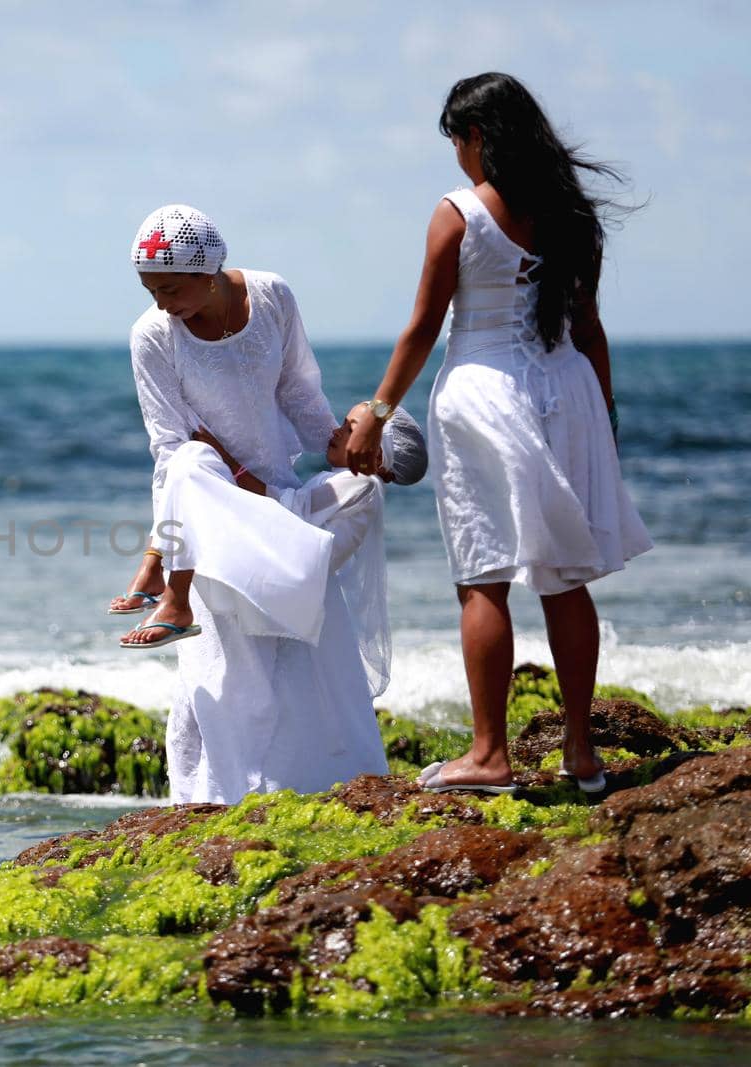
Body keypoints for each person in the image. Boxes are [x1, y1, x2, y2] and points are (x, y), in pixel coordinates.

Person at [341, 73, 652, 795]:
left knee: (482, 577)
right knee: (565, 576)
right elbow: (589, 328)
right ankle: (582, 756)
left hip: (485, 394)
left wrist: (379, 415)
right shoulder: (573, 214)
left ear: (477, 136)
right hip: (567, 390)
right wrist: (604, 419)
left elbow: (423, 327)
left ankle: (489, 755)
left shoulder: (458, 214)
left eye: (455, 137)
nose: (455, 151)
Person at [110, 203, 391, 804]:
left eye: (169, 287)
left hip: (273, 498)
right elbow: (170, 448)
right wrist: (164, 542)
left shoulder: (272, 297)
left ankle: (315, 791)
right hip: (208, 509)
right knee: (232, 675)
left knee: (362, 499)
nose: (160, 302)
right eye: (148, 289)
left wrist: (347, 448)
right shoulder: (152, 337)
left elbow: (298, 394)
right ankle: (223, 797)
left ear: (208, 270)